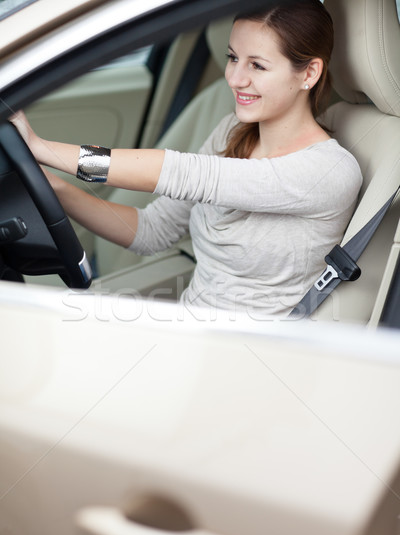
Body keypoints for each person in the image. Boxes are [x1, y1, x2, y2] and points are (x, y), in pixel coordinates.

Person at [11, 0, 362, 318]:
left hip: (248, 355)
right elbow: (151, 230)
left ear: (310, 73)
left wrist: (42, 148)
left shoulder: (327, 171)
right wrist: (48, 184)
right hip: (190, 329)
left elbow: (182, 173)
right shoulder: (232, 131)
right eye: (233, 57)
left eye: (257, 65)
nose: (235, 78)